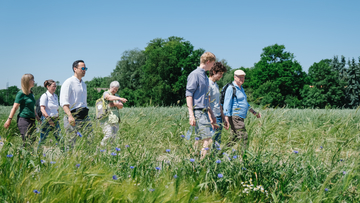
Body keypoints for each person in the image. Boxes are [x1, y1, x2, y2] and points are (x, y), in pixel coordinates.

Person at [186, 51, 217, 159]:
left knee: (198, 140)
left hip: (204, 110)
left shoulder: (204, 76)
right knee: (208, 139)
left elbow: (205, 97)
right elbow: (189, 95)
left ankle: (193, 162)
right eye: (213, 63)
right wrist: (191, 114)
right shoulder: (195, 74)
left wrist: (211, 114)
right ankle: (203, 163)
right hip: (198, 111)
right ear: (208, 61)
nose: (213, 66)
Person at [223, 70, 261, 155]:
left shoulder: (241, 88)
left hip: (241, 117)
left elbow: (245, 103)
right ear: (234, 77)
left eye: (243, 77)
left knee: (234, 139)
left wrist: (254, 112)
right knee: (244, 137)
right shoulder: (231, 88)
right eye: (239, 77)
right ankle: (242, 157)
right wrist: (226, 118)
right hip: (235, 116)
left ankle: (220, 154)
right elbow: (227, 103)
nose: (241, 79)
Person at [60, 60, 91, 146]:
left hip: (84, 116)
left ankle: (85, 157)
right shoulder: (68, 82)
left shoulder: (83, 84)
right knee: (71, 142)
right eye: (82, 68)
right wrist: (70, 116)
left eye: (85, 68)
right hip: (73, 116)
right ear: (75, 69)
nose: (84, 70)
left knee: (90, 138)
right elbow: (64, 102)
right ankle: (69, 158)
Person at [4, 74, 40, 146]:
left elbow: (32, 107)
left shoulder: (31, 93)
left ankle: (26, 155)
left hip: (32, 120)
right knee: (27, 140)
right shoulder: (21, 93)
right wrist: (9, 119)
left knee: (33, 139)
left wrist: (37, 116)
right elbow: (15, 107)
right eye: (32, 80)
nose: (34, 81)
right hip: (24, 120)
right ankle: (22, 155)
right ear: (26, 81)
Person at [99, 81, 128, 146]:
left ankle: (111, 151)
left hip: (115, 119)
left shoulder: (117, 96)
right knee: (108, 135)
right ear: (110, 87)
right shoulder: (106, 93)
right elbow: (108, 99)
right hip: (106, 119)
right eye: (114, 89)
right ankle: (101, 148)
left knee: (114, 137)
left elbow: (121, 106)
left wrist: (114, 104)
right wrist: (118, 100)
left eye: (116, 89)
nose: (115, 90)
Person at [208, 62, 228, 148]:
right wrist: (211, 119)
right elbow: (207, 103)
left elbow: (218, 103)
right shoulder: (208, 84)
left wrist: (224, 118)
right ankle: (206, 159)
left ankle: (215, 160)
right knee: (210, 140)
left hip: (218, 117)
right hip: (213, 118)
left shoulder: (215, 84)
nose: (221, 76)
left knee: (217, 141)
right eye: (220, 74)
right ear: (214, 72)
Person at [38, 79, 61, 147]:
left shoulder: (56, 96)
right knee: (43, 139)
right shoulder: (45, 96)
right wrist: (49, 120)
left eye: (55, 86)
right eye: (53, 86)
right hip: (47, 119)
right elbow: (42, 109)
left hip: (55, 119)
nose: (55, 88)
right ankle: (39, 155)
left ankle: (65, 154)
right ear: (48, 86)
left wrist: (58, 117)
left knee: (60, 138)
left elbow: (57, 108)